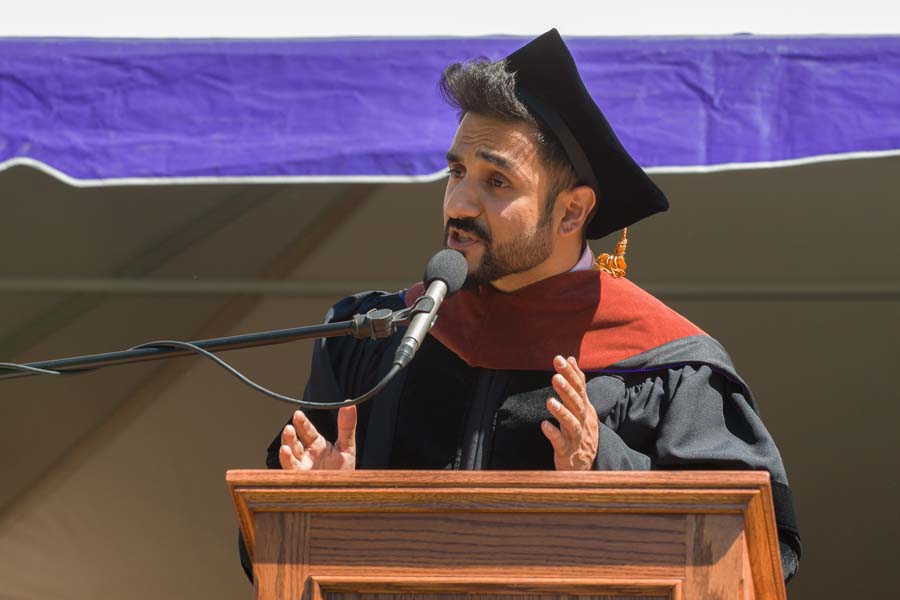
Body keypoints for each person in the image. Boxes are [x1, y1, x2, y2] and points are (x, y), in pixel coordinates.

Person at [240, 29, 801, 581]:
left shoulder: (671, 367)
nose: (458, 203)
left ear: (572, 213)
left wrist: (605, 465)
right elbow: (270, 554)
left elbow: (754, 555)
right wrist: (310, 506)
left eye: (497, 181)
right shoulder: (376, 342)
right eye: (456, 171)